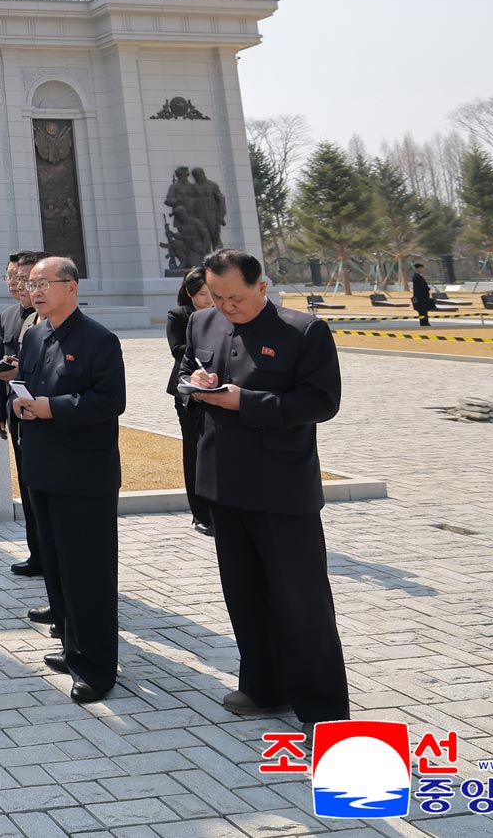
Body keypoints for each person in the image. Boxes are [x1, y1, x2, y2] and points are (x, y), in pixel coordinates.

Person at [186, 248, 350, 728]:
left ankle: (323, 711)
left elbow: (321, 402)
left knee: (301, 602)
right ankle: (263, 687)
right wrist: (196, 383)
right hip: (223, 483)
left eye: (234, 298)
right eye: (216, 297)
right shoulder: (203, 324)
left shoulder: (303, 331)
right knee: (244, 595)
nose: (225, 307)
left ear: (262, 286)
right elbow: (184, 378)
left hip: (282, 490)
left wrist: (246, 402)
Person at [10, 256, 126, 703]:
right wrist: (20, 404)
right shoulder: (36, 335)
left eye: (44, 283)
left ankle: (96, 668)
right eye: (29, 283)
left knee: (88, 574)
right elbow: (32, 387)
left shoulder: (99, 339)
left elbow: (110, 400)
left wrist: (52, 408)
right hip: (42, 468)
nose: (35, 291)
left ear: (71, 287)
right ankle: (72, 647)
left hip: (85, 475)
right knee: (57, 569)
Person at [0, 249, 46, 576]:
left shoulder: (50, 316)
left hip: (44, 410)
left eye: (21, 278)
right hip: (16, 410)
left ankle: (49, 554)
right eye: (10, 277)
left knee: (42, 483)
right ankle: (36, 553)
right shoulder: (8, 316)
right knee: (26, 484)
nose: (15, 284)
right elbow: (1, 368)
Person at [166, 266, 217, 536]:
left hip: (218, 389)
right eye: (203, 294)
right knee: (194, 451)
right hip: (188, 392)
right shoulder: (179, 315)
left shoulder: (222, 313)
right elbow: (177, 350)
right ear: (189, 293)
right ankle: (200, 513)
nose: (210, 300)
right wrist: (206, 343)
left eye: (212, 293)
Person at [411, 262, 436, 327]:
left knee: (424, 311)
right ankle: (424, 323)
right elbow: (421, 287)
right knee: (422, 311)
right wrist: (427, 288)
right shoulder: (417, 276)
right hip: (420, 297)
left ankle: (425, 322)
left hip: (423, 297)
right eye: (421, 268)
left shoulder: (419, 276)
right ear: (418, 268)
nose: (422, 270)